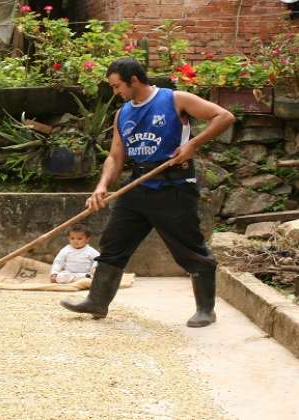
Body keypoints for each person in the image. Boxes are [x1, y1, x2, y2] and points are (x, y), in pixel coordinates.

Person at [60, 57, 235, 327]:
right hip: (139, 185)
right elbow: (115, 156)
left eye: (118, 86)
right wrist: (102, 186)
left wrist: (193, 144)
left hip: (174, 186)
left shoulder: (175, 99)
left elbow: (224, 116)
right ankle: (97, 301)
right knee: (113, 242)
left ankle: (205, 310)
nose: (116, 92)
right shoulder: (123, 114)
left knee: (189, 249)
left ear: (134, 80)